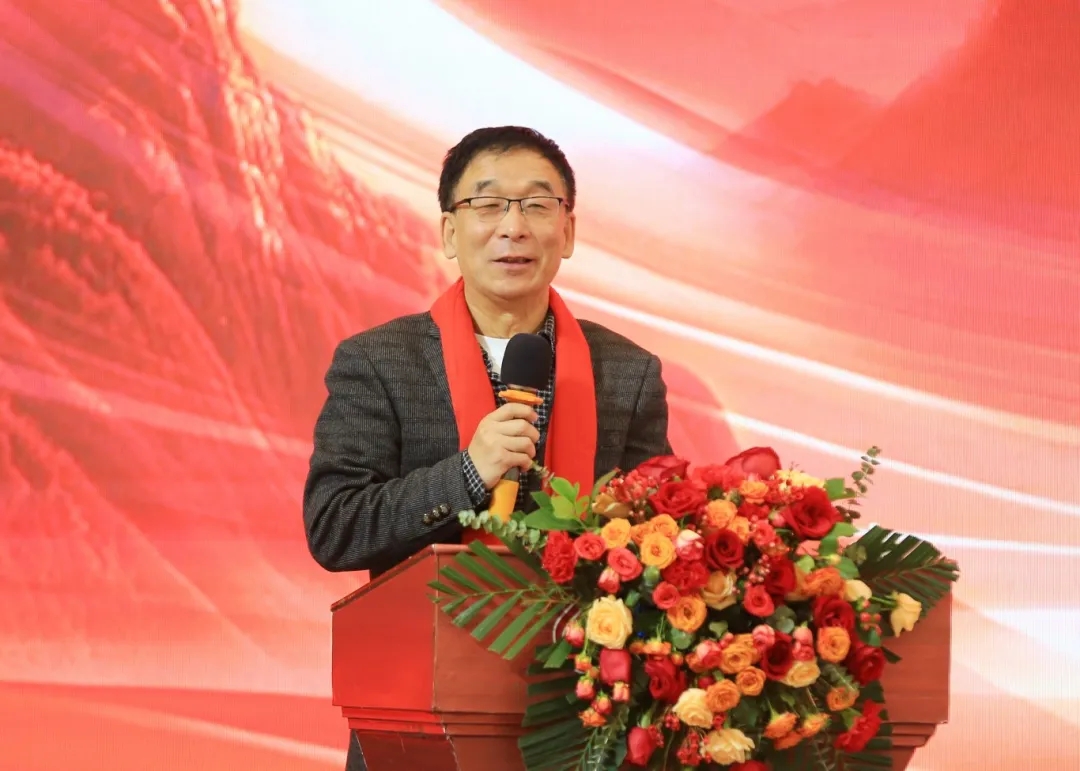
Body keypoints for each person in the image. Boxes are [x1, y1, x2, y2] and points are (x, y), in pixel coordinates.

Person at [302, 125, 673, 771]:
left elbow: (657, 539)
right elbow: (336, 527)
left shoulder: (626, 372)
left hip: (581, 720)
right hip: (419, 716)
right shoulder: (378, 362)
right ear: (450, 232)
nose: (514, 227)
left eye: (537, 204)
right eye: (489, 204)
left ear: (568, 231)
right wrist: (469, 473)